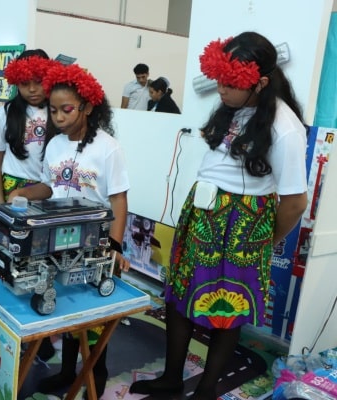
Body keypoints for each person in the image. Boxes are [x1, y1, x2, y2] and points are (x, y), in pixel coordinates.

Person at [130, 32, 308, 400]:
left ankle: (207, 390)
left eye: (230, 84)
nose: (221, 90)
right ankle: (172, 378)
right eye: (220, 81)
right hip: (201, 214)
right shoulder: (230, 108)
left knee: (227, 308)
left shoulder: (284, 127)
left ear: (258, 82)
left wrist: (262, 241)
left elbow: (295, 202)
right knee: (178, 298)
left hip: (243, 224)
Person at [9, 63, 131, 399]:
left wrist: (115, 245)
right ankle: (65, 371)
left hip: (95, 239)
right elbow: (50, 187)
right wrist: (24, 193)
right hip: (58, 237)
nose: (59, 117)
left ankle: (96, 372)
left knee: (93, 313)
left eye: (66, 110)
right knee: (65, 306)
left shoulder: (108, 148)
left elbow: (119, 200)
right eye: (53, 110)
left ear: (88, 107)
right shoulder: (55, 145)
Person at [0, 49, 57, 204]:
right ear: (16, 82)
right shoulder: (5, 113)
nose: (32, 89)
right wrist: (0, 204)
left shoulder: (59, 112)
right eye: (24, 83)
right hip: (12, 191)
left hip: (50, 191)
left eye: (38, 81)